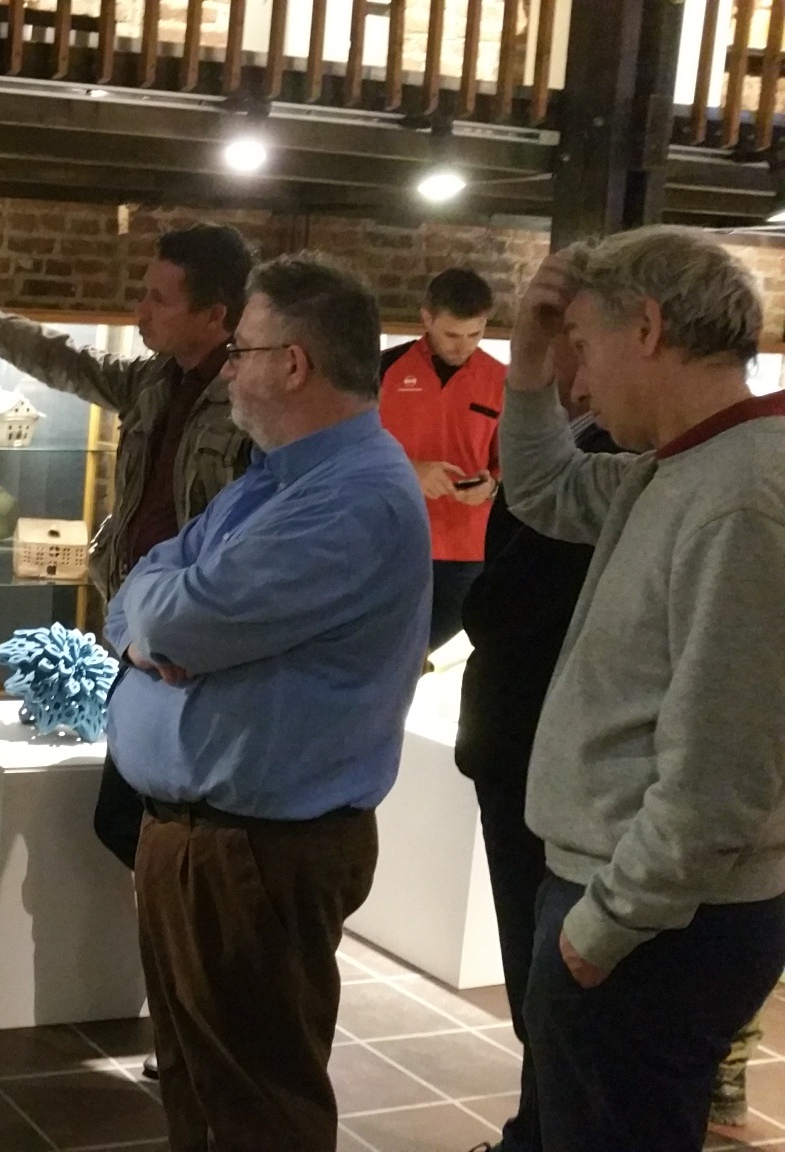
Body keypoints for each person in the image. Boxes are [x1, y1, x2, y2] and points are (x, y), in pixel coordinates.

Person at [104, 254, 430, 1148]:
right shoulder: (278, 479)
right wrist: (151, 624)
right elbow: (141, 587)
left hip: (256, 853)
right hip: (209, 842)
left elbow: (180, 617)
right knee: (202, 1098)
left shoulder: (352, 500)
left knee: (256, 1111)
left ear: (294, 363)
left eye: (241, 351)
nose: (227, 371)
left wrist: (157, 624)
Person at [503, 226, 785, 1150]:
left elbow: (724, 767)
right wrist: (530, 359)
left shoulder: (741, 494)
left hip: (658, 923)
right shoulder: (685, 464)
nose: (578, 384)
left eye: (584, 346)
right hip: (633, 902)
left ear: (649, 329)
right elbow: (543, 487)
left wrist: (607, 925)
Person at [0, 224, 255, 873]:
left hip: (194, 647)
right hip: (139, 632)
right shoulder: (155, 380)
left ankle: (180, 927)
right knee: (127, 822)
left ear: (215, 315)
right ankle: (165, 926)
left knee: (168, 826)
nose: (140, 311)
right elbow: (61, 358)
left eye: (159, 299)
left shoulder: (252, 400)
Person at [453, 335, 620, 1152]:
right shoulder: (585, 448)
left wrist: (479, 612)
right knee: (536, 980)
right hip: (520, 742)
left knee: (552, 982)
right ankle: (533, 1131)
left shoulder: (619, 456)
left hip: (544, 747)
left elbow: (512, 601)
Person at [379, 268, 507, 651]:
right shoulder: (381, 370)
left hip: (466, 548)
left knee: (413, 654)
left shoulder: (502, 380)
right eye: (452, 334)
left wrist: (491, 485)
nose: (462, 346)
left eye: (475, 334)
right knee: (382, 655)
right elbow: (347, 450)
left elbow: (514, 464)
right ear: (427, 318)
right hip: (389, 539)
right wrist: (409, 471)